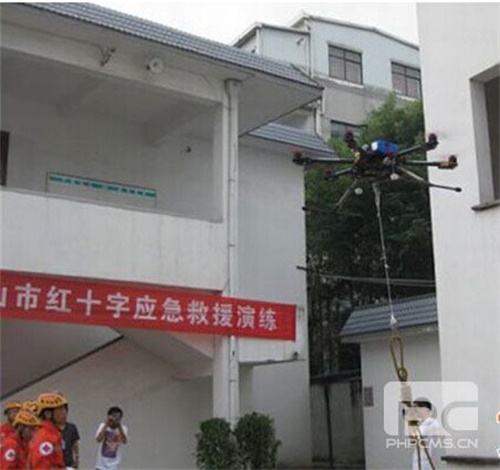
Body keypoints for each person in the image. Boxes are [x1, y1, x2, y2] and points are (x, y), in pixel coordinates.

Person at [29, 392, 66, 469]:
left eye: (64, 409)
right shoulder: (45, 437)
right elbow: (43, 467)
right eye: (59, 409)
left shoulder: (53, 434)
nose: (64, 412)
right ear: (47, 414)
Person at [409, 398, 442, 470]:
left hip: (424, 463)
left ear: (423, 408)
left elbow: (413, 437)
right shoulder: (430, 423)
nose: (415, 411)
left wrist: (411, 421)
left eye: (416, 408)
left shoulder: (429, 423)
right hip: (424, 461)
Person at [53, 394, 80, 470]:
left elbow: (75, 444)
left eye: (64, 412)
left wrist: (77, 458)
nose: (63, 415)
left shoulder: (72, 427)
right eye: (60, 411)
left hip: (68, 463)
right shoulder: (51, 429)